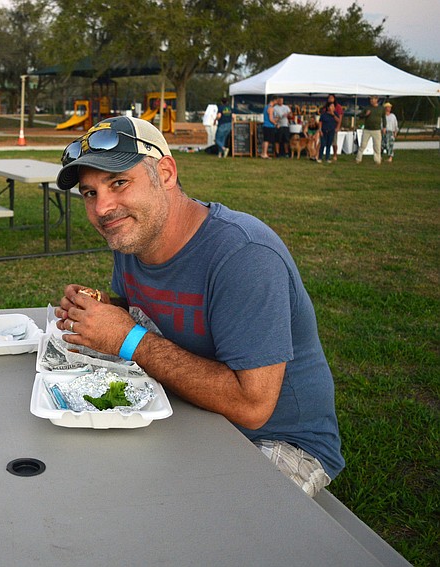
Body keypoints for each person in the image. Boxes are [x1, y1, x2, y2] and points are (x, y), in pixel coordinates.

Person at [54, 116, 345, 496]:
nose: (103, 208)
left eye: (119, 183)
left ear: (167, 173)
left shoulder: (245, 256)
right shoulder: (134, 236)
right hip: (184, 411)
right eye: (89, 193)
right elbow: (139, 310)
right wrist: (102, 309)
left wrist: (126, 338)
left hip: (276, 439)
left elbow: (252, 405)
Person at [355, 96, 386, 165]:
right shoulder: (367, 108)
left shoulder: (381, 108)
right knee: (363, 145)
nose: (371, 100)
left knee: (377, 146)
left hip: (377, 130)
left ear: (377, 100)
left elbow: (384, 118)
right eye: (371, 99)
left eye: (373, 99)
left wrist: (384, 127)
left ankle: (377, 160)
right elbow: (360, 116)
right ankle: (358, 159)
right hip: (367, 129)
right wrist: (366, 114)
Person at [326, 95, 344, 160]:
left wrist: (338, 127)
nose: (330, 99)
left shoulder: (338, 107)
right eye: (329, 98)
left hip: (333, 127)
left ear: (334, 99)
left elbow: (340, 118)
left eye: (331, 98)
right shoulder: (326, 107)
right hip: (326, 127)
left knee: (334, 142)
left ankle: (335, 154)